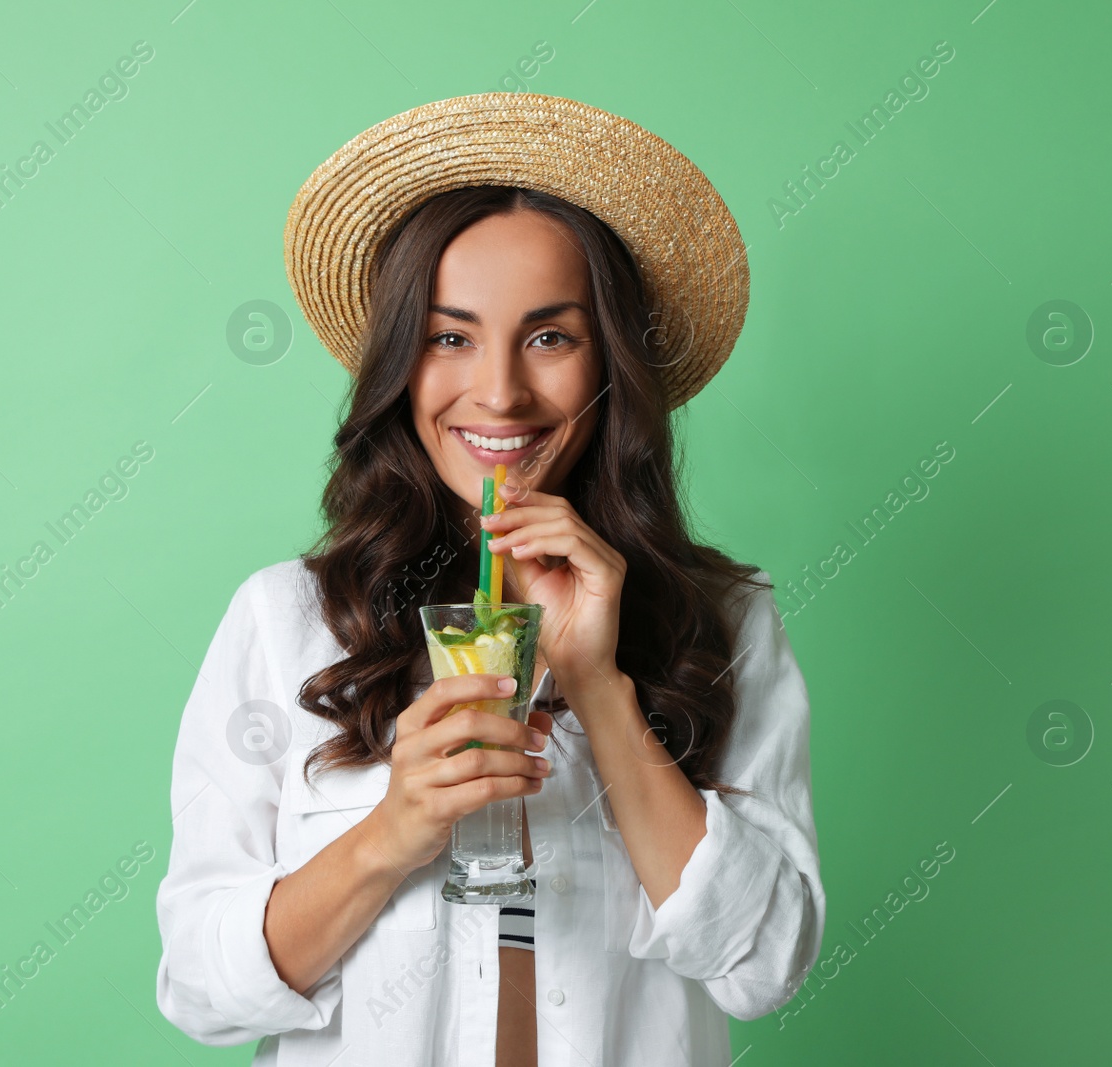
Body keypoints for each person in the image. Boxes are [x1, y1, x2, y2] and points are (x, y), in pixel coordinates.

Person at [155, 92, 823, 1067]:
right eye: (449, 335)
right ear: (400, 361)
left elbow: (763, 966)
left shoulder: (722, 620)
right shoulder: (287, 619)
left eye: (550, 336)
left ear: (608, 362)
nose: (501, 391)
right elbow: (201, 989)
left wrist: (600, 687)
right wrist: (393, 829)